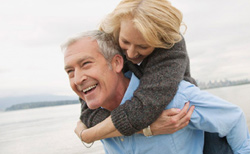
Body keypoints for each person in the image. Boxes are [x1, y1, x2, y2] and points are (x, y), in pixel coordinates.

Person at [78, 0, 233, 153]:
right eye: (125, 42)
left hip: (187, 116)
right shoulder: (107, 40)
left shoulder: (172, 43)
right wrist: (147, 129)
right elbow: (90, 115)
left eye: (143, 46)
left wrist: (87, 135)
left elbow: (142, 109)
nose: (131, 54)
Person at [62, 30, 250, 154]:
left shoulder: (177, 98)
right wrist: (146, 129)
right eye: (70, 72)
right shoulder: (94, 117)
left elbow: (233, 119)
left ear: (117, 62)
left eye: (86, 64)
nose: (78, 79)